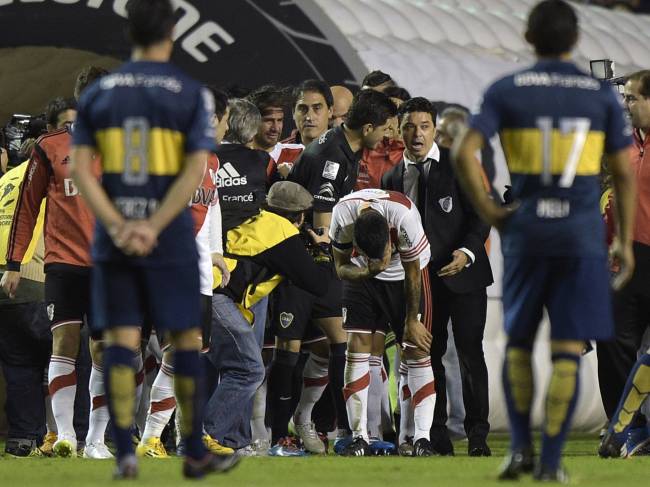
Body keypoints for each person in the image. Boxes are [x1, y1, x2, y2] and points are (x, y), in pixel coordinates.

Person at [453, 0, 635, 481]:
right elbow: (621, 170)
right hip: (580, 236)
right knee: (568, 348)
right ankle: (551, 463)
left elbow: (464, 150)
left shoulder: (506, 89)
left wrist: (493, 211)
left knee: (518, 345)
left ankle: (518, 451)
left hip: (527, 231)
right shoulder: (597, 94)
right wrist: (626, 243)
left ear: (529, 38)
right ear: (575, 40)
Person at [69, 0, 238, 478]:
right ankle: (192, 449)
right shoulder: (188, 93)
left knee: (121, 340)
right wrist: (157, 224)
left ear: (131, 33)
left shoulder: (100, 93)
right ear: (171, 31)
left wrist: (121, 224)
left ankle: (122, 450)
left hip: (115, 233)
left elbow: (82, 169)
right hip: (171, 236)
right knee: (184, 340)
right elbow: (196, 170)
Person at [1, 71, 110, 459]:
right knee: (63, 343)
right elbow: (26, 207)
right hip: (63, 262)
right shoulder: (50, 146)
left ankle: (96, 440)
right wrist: (13, 263)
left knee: (104, 349)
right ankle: (65, 436)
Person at [383, 97, 494, 456]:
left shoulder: (458, 164)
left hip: (464, 275)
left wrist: (467, 252)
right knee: (429, 357)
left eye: (424, 126)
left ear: (435, 129)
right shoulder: (390, 177)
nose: (417, 134)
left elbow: (481, 215)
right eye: (410, 126)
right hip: (421, 284)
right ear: (399, 130)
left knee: (469, 354)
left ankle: (478, 436)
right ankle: (438, 435)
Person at [288, 89, 397, 452]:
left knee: (326, 348)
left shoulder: (340, 145)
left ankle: (309, 420)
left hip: (305, 259)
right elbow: (323, 226)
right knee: (340, 342)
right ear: (367, 127)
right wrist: (346, 263)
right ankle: (340, 430)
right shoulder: (333, 156)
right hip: (308, 262)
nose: (385, 137)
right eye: (383, 129)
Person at [136, 88, 232, 459]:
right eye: (224, 121)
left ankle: (180, 433)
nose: (226, 128)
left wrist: (216, 252)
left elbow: (211, 208)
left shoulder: (209, 160)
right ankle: (150, 438)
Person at [202, 181, 330, 452]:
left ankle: (234, 441)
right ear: (300, 216)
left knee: (231, 370)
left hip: (203, 292)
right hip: (216, 297)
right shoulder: (281, 231)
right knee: (249, 369)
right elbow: (317, 284)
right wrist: (320, 252)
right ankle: (207, 435)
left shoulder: (254, 219)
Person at [326, 188, 434, 456]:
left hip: (405, 278)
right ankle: (360, 437)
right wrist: (366, 269)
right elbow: (340, 268)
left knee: (416, 349)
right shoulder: (342, 214)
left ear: (389, 235)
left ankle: (419, 438)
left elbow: (413, 271)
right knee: (356, 346)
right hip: (363, 278)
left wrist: (412, 319)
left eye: (385, 250)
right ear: (358, 245)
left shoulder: (403, 216)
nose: (383, 259)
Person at [598, 69, 650, 458]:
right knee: (612, 339)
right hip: (625, 256)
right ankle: (629, 428)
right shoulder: (618, 147)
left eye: (633, 98)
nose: (626, 105)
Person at [267, 80, 333, 183]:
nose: (309, 117)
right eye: (302, 108)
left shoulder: (348, 151)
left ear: (330, 111)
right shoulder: (277, 153)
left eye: (317, 108)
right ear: (293, 112)